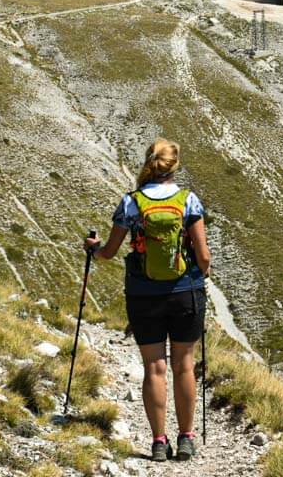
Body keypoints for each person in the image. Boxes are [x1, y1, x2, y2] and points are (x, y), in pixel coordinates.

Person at [84, 139, 210, 463]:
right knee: (184, 366)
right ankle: (185, 438)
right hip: (185, 293)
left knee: (154, 367)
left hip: (143, 295)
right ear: (174, 165)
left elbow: (108, 253)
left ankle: (158, 441)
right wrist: (199, 274)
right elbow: (204, 257)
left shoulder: (131, 203)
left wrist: (93, 248)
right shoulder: (189, 201)